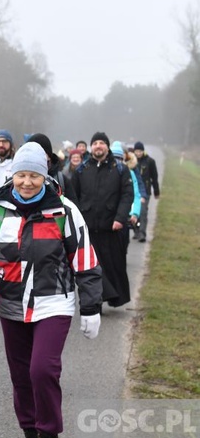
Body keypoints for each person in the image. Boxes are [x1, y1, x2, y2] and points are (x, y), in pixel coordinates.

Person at [0, 142, 102, 438]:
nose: (27, 182)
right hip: (11, 304)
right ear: (13, 176)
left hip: (53, 303)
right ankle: (30, 431)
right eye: (21, 175)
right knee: (21, 377)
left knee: (42, 371)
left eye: (34, 175)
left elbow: (84, 258)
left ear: (45, 176)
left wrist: (92, 306)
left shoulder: (64, 211)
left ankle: (48, 433)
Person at [71, 132, 134, 308]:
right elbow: (73, 197)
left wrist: (120, 218)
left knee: (113, 268)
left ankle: (112, 296)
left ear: (107, 147)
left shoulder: (120, 169)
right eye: (95, 143)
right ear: (91, 147)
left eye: (102, 143)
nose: (98, 146)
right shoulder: (82, 170)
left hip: (112, 228)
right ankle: (95, 301)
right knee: (92, 268)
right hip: (88, 229)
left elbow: (127, 196)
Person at [25, 133, 78, 205]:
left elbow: (73, 210)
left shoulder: (61, 180)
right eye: (31, 152)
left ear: (49, 156)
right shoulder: (18, 179)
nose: (36, 156)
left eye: (41, 152)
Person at [133, 141, 160, 242]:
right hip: (134, 191)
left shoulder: (150, 162)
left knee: (143, 212)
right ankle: (136, 230)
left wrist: (156, 191)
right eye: (136, 151)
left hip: (146, 191)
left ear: (143, 151)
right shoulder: (132, 161)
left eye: (140, 151)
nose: (138, 153)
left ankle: (142, 233)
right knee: (134, 212)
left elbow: (154, 177)